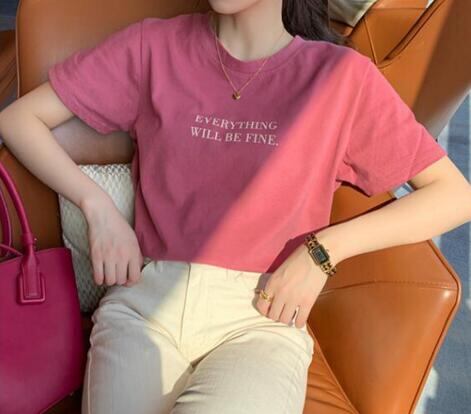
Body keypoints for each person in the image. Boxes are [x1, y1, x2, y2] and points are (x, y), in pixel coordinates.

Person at [0, 0, 470, 413]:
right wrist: (96, 206)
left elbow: (453, 196)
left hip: (260, 319)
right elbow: (19, 119)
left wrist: (323, 250)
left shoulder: (340, 77)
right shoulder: (152, 47)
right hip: (143, 305)